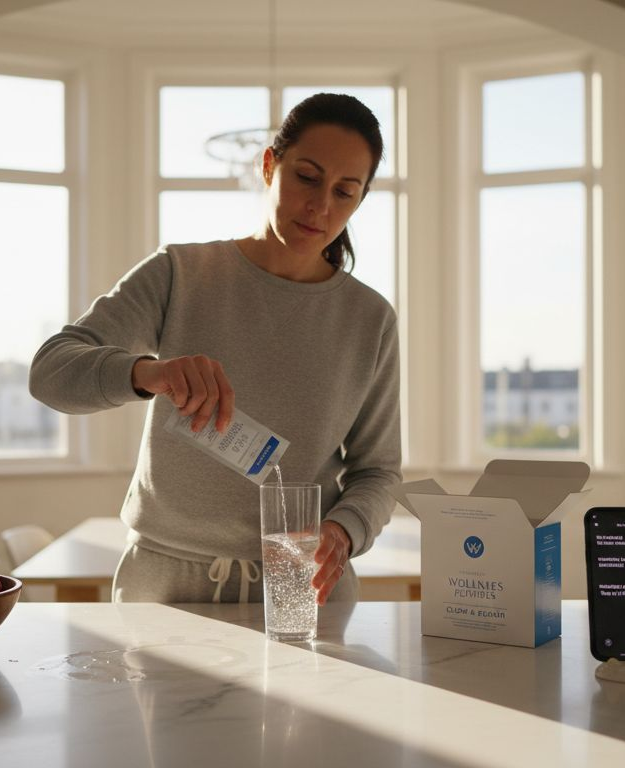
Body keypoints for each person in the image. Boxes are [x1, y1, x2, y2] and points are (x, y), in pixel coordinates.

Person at [29, 93, 401, 605]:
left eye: (345, 191)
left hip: (302, 587)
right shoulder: (180, 274)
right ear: (269, 166)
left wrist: (344, 530)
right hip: (163, 586)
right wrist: (147, 373)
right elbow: (50, 372)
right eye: (307, 178)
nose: (320, 206)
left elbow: (377, 470)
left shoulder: (370, 319)